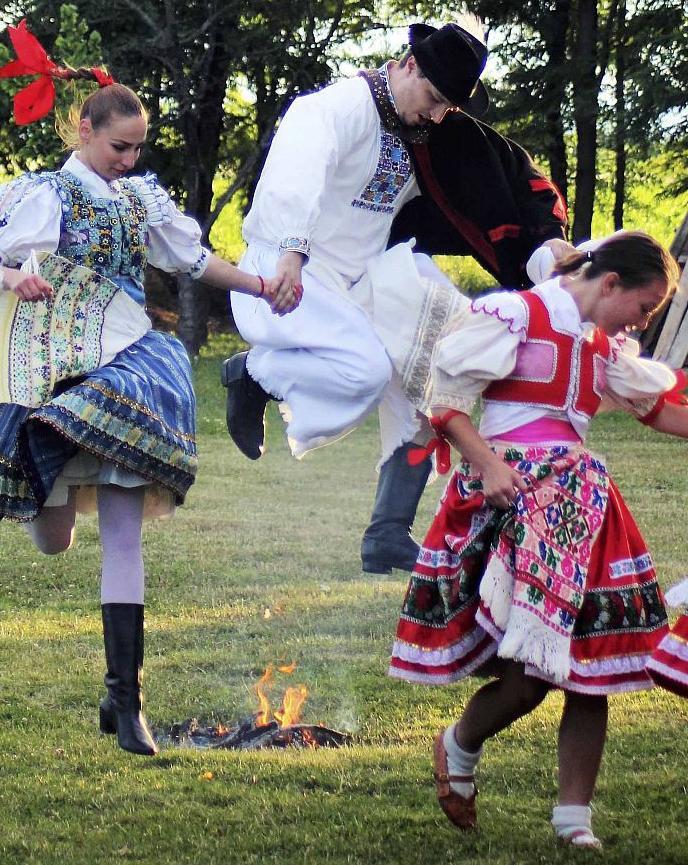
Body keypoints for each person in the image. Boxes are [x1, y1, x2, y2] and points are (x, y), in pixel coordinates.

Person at [0, 22, 299, 756]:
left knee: (124, 528)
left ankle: (125, 697)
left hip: (126, 356)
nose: (129, 159)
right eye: (118, 147)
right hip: (50, 362)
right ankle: (51, 491)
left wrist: (261, 283)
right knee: (53, 537)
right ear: (85, 129)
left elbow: (195, 263)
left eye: (137, 149)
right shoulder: (43, 194)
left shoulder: (141, 201)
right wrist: (14, 276)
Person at [222, 16, 569, 575]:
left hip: (364, 278)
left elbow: (505, 170)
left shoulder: (427, 132)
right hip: (292, 272)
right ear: (407, 64)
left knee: (437, 361)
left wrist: (547, 245)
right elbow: (297, 171)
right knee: (362, 372)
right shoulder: (336, 107)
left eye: (446, 108)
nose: (434, 115)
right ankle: (254, 374)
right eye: (432, 98)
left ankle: (387, 532)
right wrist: (291, 249)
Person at [387, 231, 687, 847]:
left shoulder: (599, 344)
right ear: (611, 284)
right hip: (513, 500)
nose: (645, 321)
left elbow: (656, 408)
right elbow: (444, 400)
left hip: (583, 509)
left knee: (594, 665)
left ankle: (574, 819)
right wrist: (490, 466)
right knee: (531, 676)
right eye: (646, 307)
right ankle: (461, 745)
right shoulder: (516, 314)